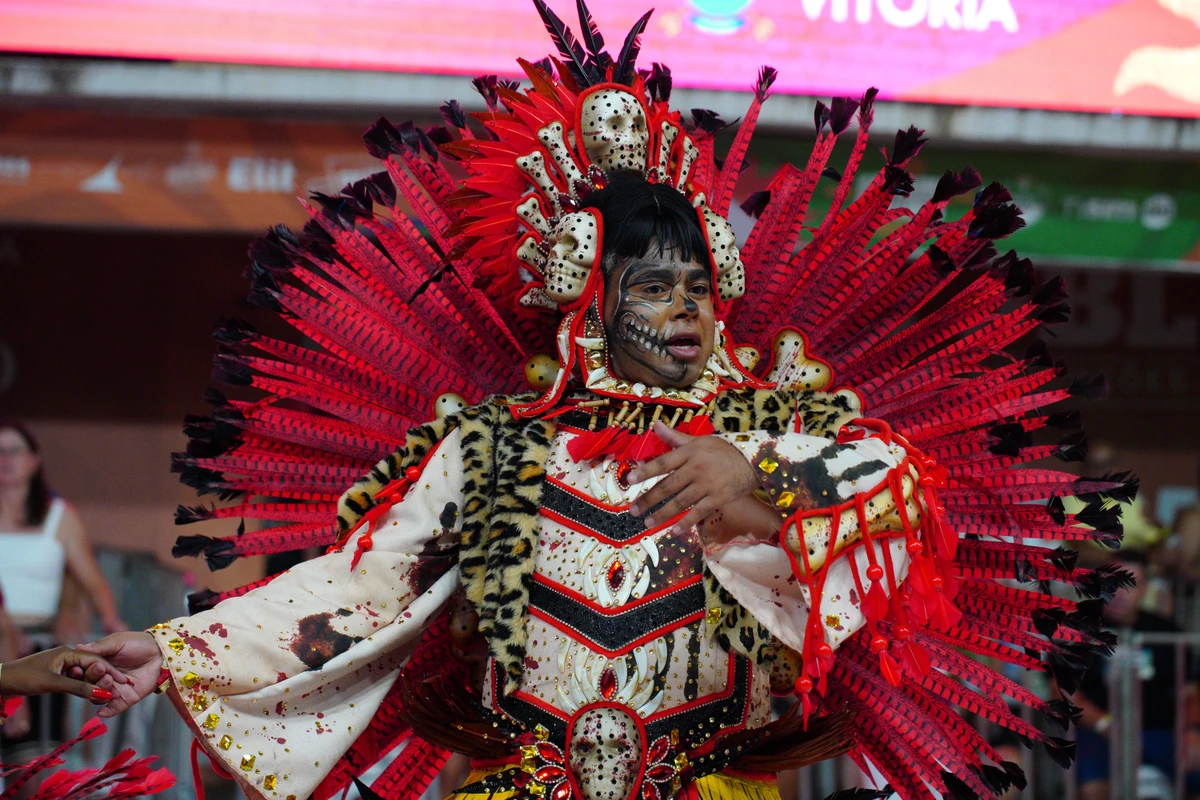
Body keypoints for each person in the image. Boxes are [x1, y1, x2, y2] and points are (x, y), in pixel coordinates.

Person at [81, 4, 1127, 799]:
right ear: (592, 298)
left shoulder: (769, 424)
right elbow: (357, 592)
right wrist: (176, 652)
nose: (688, 313)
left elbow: (905, 483)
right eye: (656, 288)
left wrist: (756, 475)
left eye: (700, 289)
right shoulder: (492, 449)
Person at [1073, 549, 1199, 800]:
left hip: (1162, 731)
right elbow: (1062, 691)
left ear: (1144, 589)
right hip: (1099, 731)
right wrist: (1104, 723)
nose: (1119, 593)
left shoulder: (1166, 630)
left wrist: (1192, 730)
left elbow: (1191, 691)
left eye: (1131, 585)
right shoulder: (1079, 627)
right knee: (1092, 788)